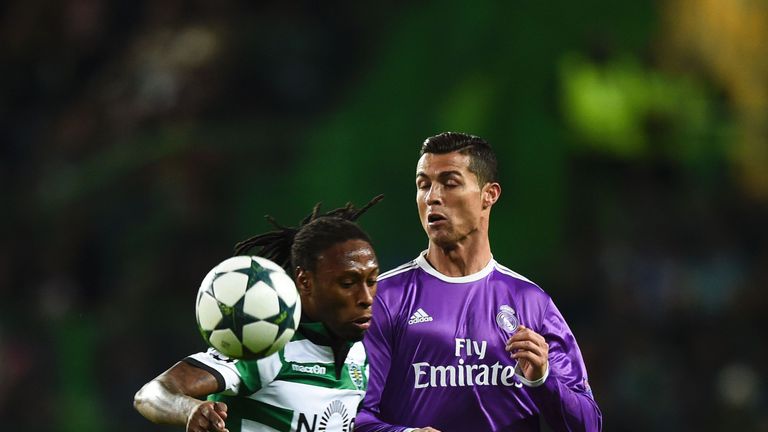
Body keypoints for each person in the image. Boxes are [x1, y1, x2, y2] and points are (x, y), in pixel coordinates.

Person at [356, 133, 602, 432]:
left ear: (490, 194)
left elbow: (587, 426)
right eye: (424, 185)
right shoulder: (385, 299)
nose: (432, 196)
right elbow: (352, 416)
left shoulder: (531, 302)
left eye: (450, 182)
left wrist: (542, 379)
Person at [134, 197, 383, 432]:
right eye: (348, 283)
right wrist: (189, 409)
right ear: (305, 281)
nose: (366, 298)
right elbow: (152, 393)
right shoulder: (267, 345)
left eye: (371, 280)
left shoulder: (358, 356)